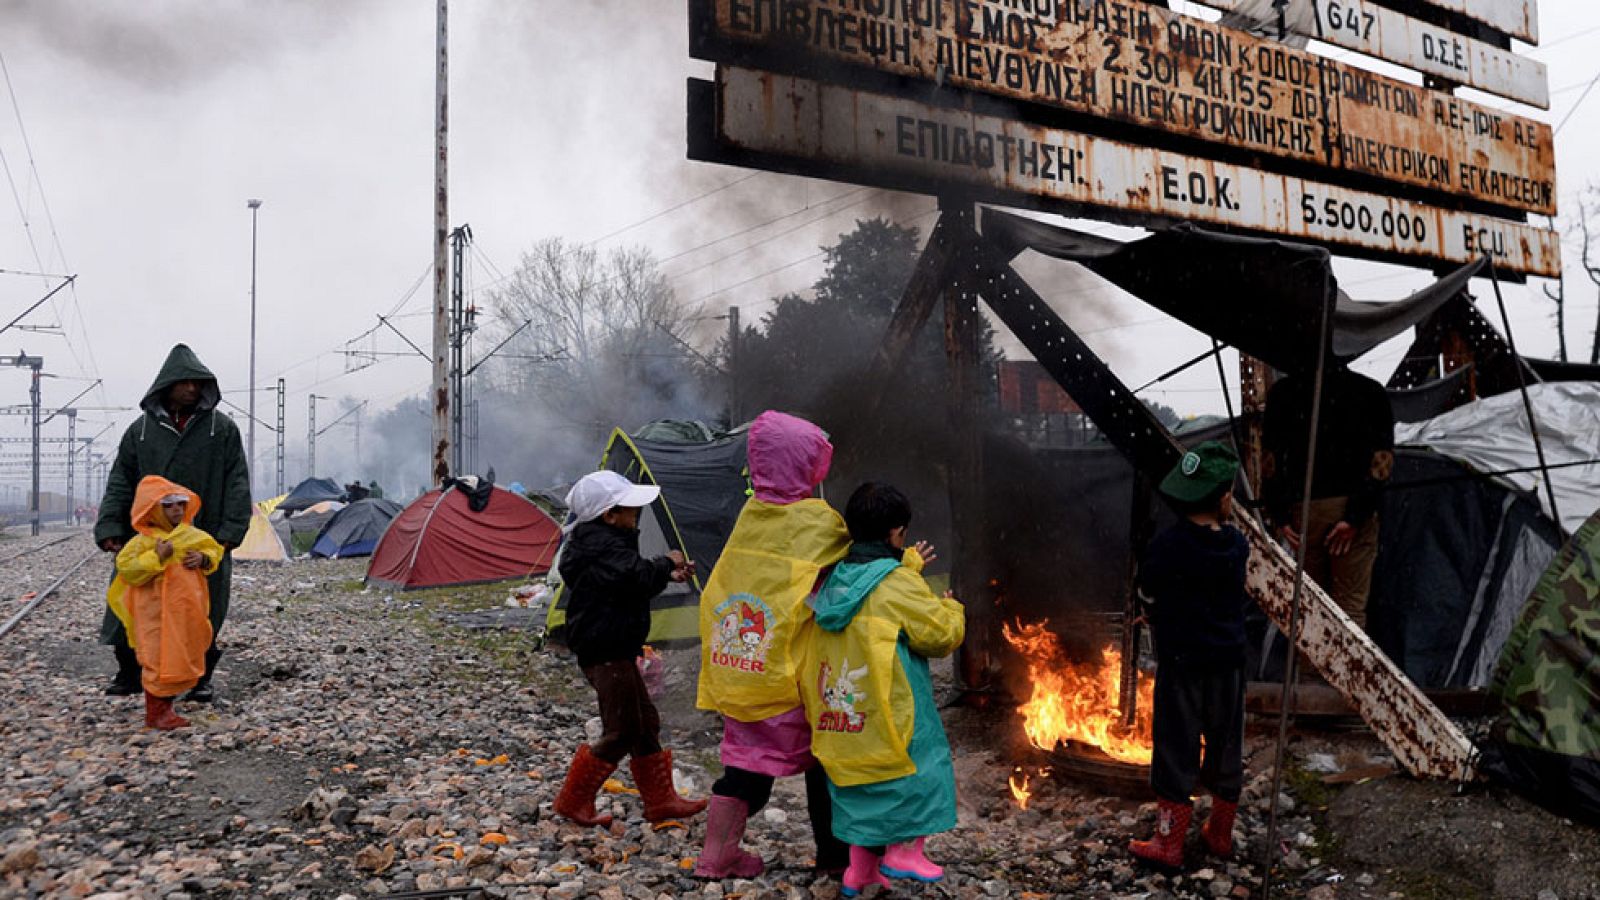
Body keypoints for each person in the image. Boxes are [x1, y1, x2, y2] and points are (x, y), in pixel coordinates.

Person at [692, 411, 853, 879]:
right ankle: (833, 859)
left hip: (741, 663)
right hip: (791, 672)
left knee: (746, 763)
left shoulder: (750, 516)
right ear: (808, 466)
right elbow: (852, 567)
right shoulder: (818, 523)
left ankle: (715, 855)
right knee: (824, 760)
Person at [797, 482, 965, 896]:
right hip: (891, 708)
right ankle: (905, 851)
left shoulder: (830, 578)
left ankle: (860, 872)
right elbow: (939, 636)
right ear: (896, 533)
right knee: (918, 770)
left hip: (842, 714)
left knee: (858, 790)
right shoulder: (897, 585)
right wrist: (951, 606)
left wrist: (906, 568)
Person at [95, 345, 251, 702]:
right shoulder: (141, 432)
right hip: (149, 538)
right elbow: (122, 479)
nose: (192, 389)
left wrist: (229, 533)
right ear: (165, 385)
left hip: (202, 538)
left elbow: (237, 481)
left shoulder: (221, 430)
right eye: (184, 382)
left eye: (197, 383)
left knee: (201, 608)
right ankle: (131, 671)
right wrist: (110, 529)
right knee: (134, 603)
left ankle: (199, 678)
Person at [552, 469, 707, 827]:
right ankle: (573, 800)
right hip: (604, 648)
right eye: (631, 510)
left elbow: (627, 580)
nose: (636, 516)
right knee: (621, 729)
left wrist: (665, 575)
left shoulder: (603, 543)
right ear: (610, 515)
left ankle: (661, 800)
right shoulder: (600, 546)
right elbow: (632, 575)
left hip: (613, 645)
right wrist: (667, 562)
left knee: (645, 722)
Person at [1128, 441, 1251, 870]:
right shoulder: (1236, 546)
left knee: (1176, 749)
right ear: (1222, 499)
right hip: (1229, 667)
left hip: (1183, 668)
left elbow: (1149, 593)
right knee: (1226, 745)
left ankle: (1169, 843)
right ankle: (1219, 833)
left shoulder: (1167, 547)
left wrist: (1153, 613)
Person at [1262, 363, 1394, 631]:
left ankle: (1310, 673)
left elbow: (1270, 463)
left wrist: (1280, 516)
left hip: (1305, 510)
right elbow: (1382, 463)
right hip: (1351, 505)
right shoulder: (1369, 392)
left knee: (1309, 606)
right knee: (1350, 609)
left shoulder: (1283, 394)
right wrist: (1356, 517)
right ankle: (1348, 671)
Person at [107, 476, 224, 730]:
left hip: (185, 612)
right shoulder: (142, 542)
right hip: (153, 614)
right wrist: (155, 558)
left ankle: (166, 706)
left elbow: (214, 551)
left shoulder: (193, 536)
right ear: (153, 509)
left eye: (181, 504)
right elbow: (127, 570)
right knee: (156, 657)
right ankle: (156, 712)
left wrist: (203, 559)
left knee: (183, 652)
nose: (177, 510)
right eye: (169, 505)